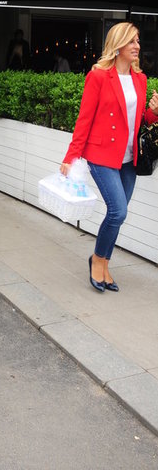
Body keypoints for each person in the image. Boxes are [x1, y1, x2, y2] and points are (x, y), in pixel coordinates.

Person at [60, 22, 158, 293]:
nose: (137, 46)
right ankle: (97, 260)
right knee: (118, 211)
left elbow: (138, 121)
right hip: (101, 154)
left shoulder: (140, 79)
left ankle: (102, 261)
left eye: (138, 41)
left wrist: (154, 112)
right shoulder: (98, 76)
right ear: (118, 45)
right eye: (131, 41)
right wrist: (71, 157)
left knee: (118, 215)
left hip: (129, 158)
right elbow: (84, 119)